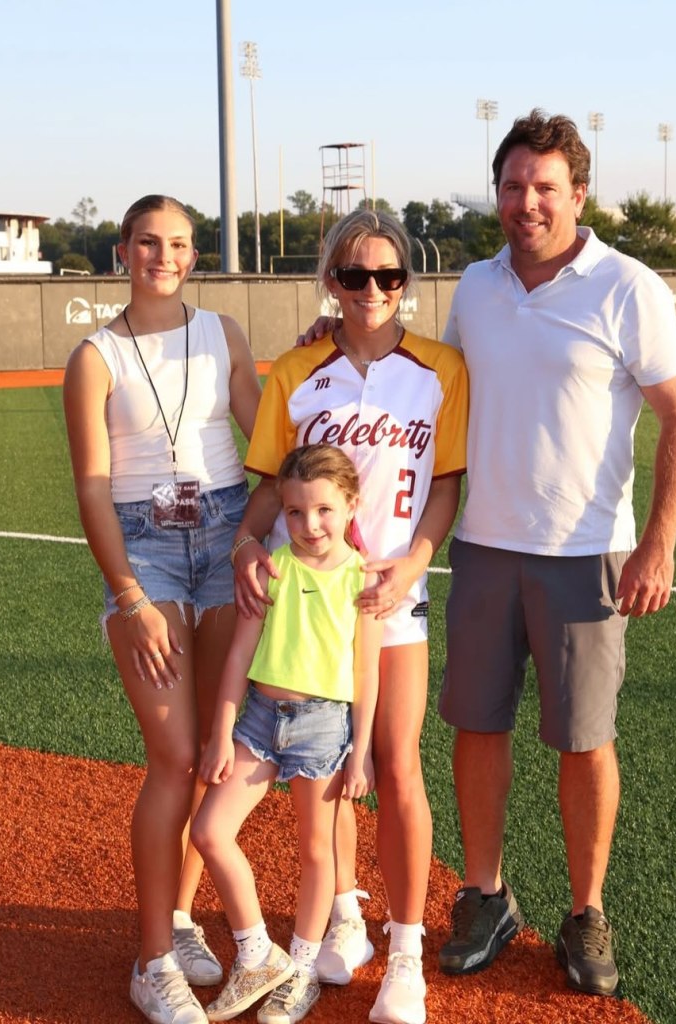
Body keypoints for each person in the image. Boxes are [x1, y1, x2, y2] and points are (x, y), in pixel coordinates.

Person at [436, 110, 676, 997]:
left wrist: (656, 541)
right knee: (477, 725)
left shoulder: (627, 286)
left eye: (545, 186)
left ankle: (585, 910)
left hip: (585, 552)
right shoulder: (473, 286)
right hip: (481, 546)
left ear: (577, 194)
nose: (526, 202)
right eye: (512, 185)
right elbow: (436, 384)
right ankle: (486, 893)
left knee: (583, 740)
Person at [231, 208, 469, 1024]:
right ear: (330, 279)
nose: (373, 290)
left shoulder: (441, 367)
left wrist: (415, 560)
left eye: (389, 276)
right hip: (311, 602)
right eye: (354, 274)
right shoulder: (296, 370)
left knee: (396, 765)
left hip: (387, 596)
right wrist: (241, 543)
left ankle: (405, 953)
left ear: (407, 280)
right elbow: (270, 482)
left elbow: (444, 483)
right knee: (327, 779)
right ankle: (345, 923)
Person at [63, 194, 262, 1024]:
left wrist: (255, 536)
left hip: (223, 533)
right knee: (175, 753)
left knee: (212, 752)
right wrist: (132, 597)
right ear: (123, 251)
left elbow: (269, 442)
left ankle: (179, 922)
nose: (164, 255)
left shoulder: (222, 333)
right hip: (144, 546)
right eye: (149, 242)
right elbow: (92, 487)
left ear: (193, 252)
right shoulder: (95, 356)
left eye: (179, 243)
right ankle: (152, 963)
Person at [191, 443, 383, 1024]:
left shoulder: (363, 581)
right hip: (258, 721)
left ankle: (300, 971)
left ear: (351, 505)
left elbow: (365, 672)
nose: (309, 524)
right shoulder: (272, 566)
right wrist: (222, 733)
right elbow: (237, 658)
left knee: (314, 851)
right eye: (295, 512)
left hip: (324, 728)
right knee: (209, 830)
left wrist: (362, 754)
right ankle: (257, 953)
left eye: (323, 510)